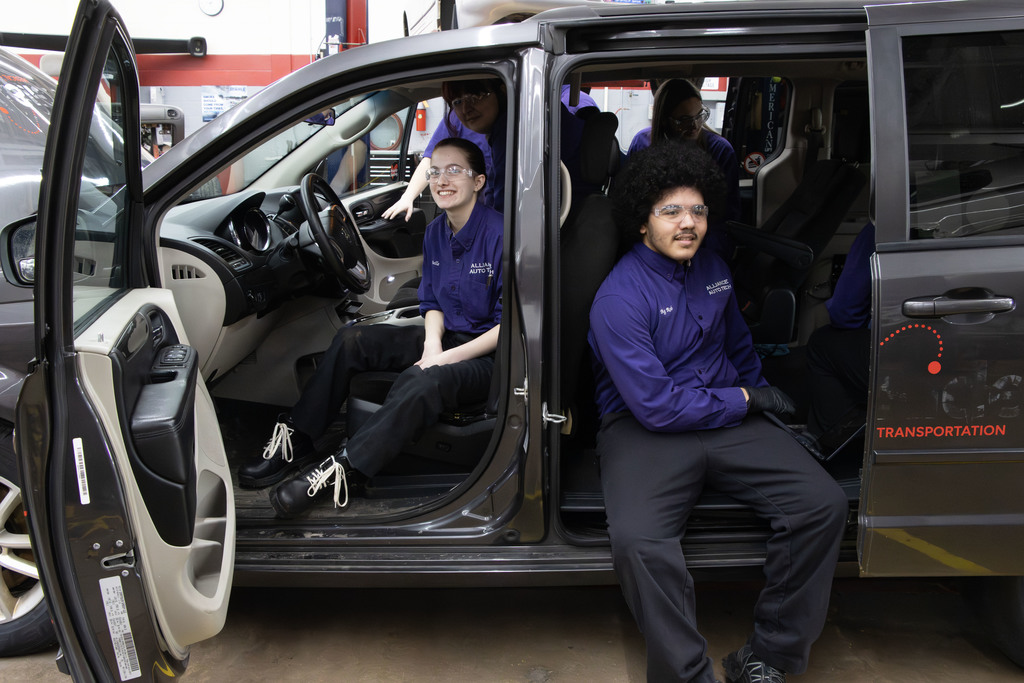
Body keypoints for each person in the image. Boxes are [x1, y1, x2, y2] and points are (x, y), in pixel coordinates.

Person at [587, 141, 847, 682]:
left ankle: (767, 657)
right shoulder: (618, 299)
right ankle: (687, 674)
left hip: (724, 415)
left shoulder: (713, 268)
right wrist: (749, 401)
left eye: (698, 210)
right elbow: (657, 406)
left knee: (822, 505)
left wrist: (767, 409)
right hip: (645, 428)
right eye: (671, 211)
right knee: (639, 543)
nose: (689, 223)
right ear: (642, 222)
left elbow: (739, 350)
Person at [237, 137, 503, 517]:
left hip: (489, 357)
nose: (441, 180)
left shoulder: (501, 234)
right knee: (353, 339)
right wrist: (432, 346)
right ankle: (300, 437)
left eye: (454, 170)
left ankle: (345, 468)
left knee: (423, 380)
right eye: (434, 172)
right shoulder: (435, 232)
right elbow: (431, 302)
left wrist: (443, 360)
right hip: (447, 338)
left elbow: (508, 325)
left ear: (478, 181)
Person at [384, 79, 592, 222]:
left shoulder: (514, 126)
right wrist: (407, 197)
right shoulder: (461, 119)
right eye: (457, 101)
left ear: (503, 91)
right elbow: (430, 159)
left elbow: (505, 210)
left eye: (477, 96)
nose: (466, 109)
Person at [629, 78, 741, 260]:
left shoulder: (719, 150)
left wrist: (707, 261)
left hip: (703, 246)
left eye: (699, 116)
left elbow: (724, 218)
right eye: (684, 120)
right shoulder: (642, 144)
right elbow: (634, 207)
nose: (695, 126)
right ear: (664, 120)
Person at [800, 222, 875, 457]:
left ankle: (826, 441)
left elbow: (846, 313)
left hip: (905, 358)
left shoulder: (882, 225)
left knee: (822, 344)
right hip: (955, 350)